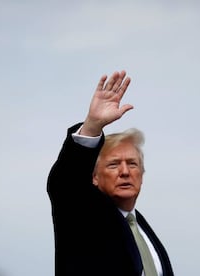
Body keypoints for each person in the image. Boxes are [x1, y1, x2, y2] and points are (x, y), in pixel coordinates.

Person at [47, 70, 174, 276]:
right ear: (94, 177)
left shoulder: (141, 228)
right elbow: (65, 183)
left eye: (132, 164)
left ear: (142, 174)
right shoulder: (81, 216)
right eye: (114, 165)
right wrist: (92, 127)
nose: (125, 172)